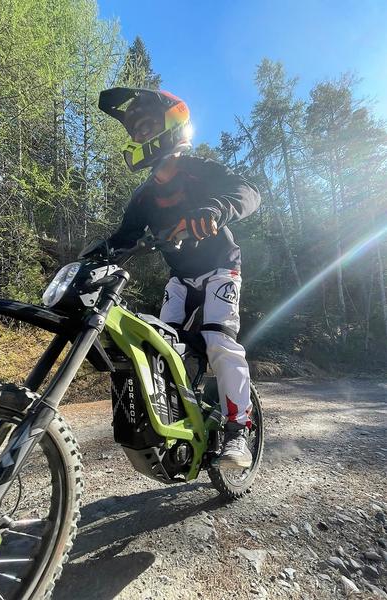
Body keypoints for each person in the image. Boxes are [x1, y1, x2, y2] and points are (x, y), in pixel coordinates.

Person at [97, 87, 261, 469]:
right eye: (135, 130)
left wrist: (215, 209)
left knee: (218, 341)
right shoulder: (143, 197)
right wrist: (91, 258)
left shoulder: (199, 170)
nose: (140, 135)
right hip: (181, 278)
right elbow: (121, 239)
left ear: (173, 123)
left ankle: (238, 431)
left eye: (147, 126)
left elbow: (249, 191)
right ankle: (181, 418)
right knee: (163, 347)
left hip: (221, 266)